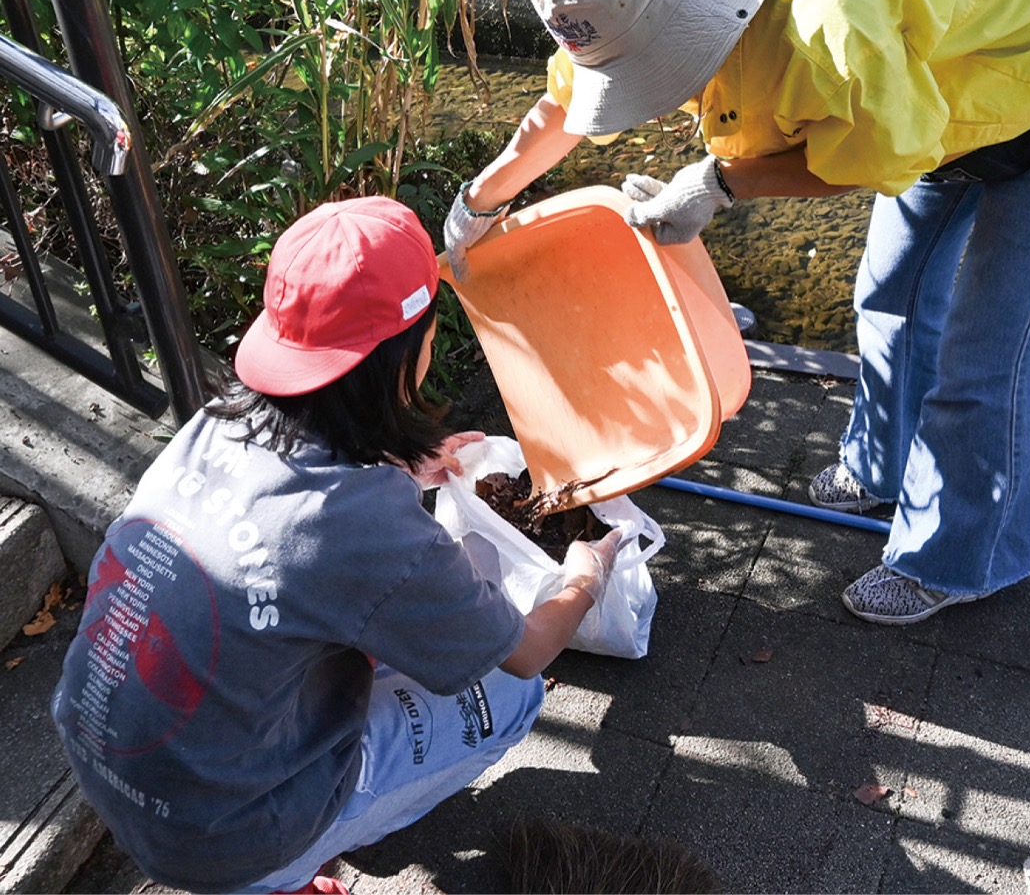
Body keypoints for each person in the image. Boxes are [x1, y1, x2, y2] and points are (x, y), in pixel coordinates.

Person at [443, 0, 1030, 625]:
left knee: (990, 353)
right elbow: (563, 102)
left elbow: (876, 161)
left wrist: (718, 185)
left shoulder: (830, 21)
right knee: (890, 291)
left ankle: (965, 558)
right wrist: (482, 199)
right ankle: (880, 467)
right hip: (938, 76)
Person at [51, 196, 625, 893]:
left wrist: (405, 465)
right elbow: (526, 651)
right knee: (512, 698)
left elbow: (290, 522)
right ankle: (281, 872)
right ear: (407, 352)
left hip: (116, 763)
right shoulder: (360, 521)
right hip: (224, 836)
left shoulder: (220, 419)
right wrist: (584, 576)